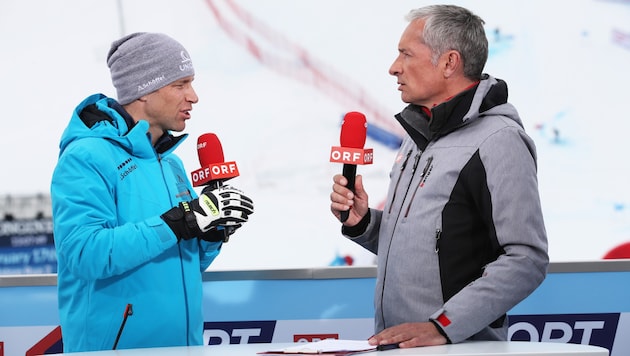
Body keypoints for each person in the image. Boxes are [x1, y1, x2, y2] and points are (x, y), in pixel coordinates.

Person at [329, 5, 549, 348]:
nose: (394, 67)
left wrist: (443, 326)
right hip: (399, 346)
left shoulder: (498, 140)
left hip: (462, 349)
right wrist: (364, 224)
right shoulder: (419, 135)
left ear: (449, 62)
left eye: (405, 54)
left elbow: (526, 258)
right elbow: (436, 244)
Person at [51, 32, 254, 352]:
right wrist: (179, 222)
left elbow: (184, 261)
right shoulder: (86, 157)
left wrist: (211, 232)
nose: (193, 96)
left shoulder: (170, 163)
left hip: (182, 347)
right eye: (180, 84)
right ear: (143, 91)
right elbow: (85, 254)